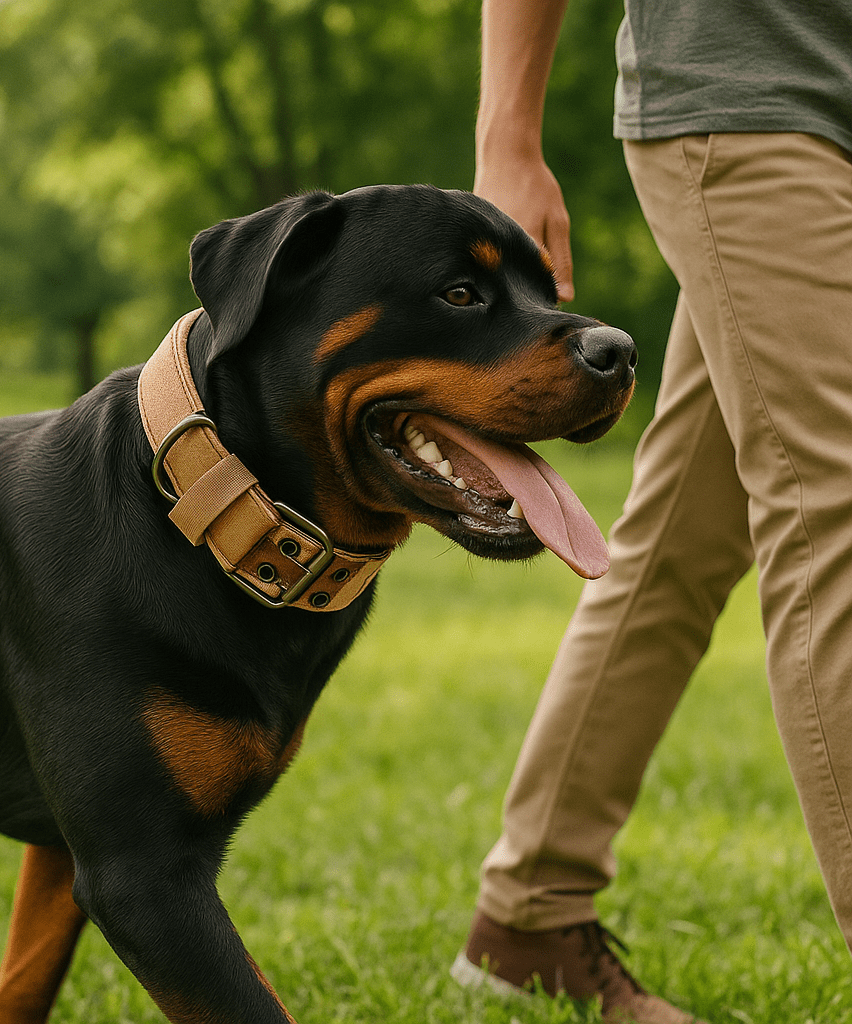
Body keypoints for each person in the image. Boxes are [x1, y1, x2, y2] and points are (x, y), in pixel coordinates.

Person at [449, 2, 852, 1022]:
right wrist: (507, 135)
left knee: (682, 532)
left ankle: (529, 914)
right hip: (753, 90)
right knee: (833, 512)